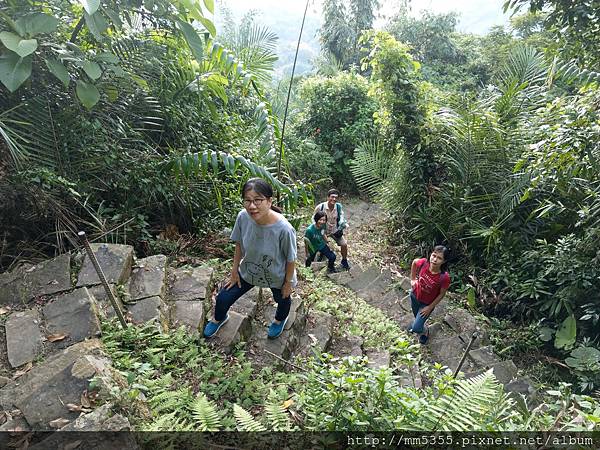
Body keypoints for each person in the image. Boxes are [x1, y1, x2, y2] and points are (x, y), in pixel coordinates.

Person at [203, 178, 297, 340]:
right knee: (223, 298)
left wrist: (288, 283)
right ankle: (219, 318)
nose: (252, 206)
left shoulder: (284, 229)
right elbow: (239, 244)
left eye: (258, 200)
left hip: (277, 276)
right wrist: (234, 271)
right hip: (249, 269)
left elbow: (290, 258)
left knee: (282, 300)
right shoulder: (243, 217)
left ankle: (279, 320)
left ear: (269, 201)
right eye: (247, 200)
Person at [408, 245, 451, 344]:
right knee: (416, 317)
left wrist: (429, 307)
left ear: (444, 261)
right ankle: (419, 325)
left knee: (416, 328)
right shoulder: (424, 263)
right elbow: (414, 262)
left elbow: (441, 295)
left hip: (426, 305)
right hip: (415, 296)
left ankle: (424, 331)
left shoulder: (444, 277)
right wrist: (413, 279)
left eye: (439, 258)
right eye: (434, 255)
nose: (435, 259)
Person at [314, 189, 350, 270]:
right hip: (323, 231)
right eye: (332, 197)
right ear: (328, 197)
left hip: (334, 231)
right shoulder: (320, 207)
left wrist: (342, 225)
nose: (334, 199)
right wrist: (317, 230)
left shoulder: (338, 207)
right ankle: (320, 257)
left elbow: (342, 218)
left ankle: (344, 261)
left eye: (336, 197)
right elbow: (314, 219)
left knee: (344, 244)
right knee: (322, 245)